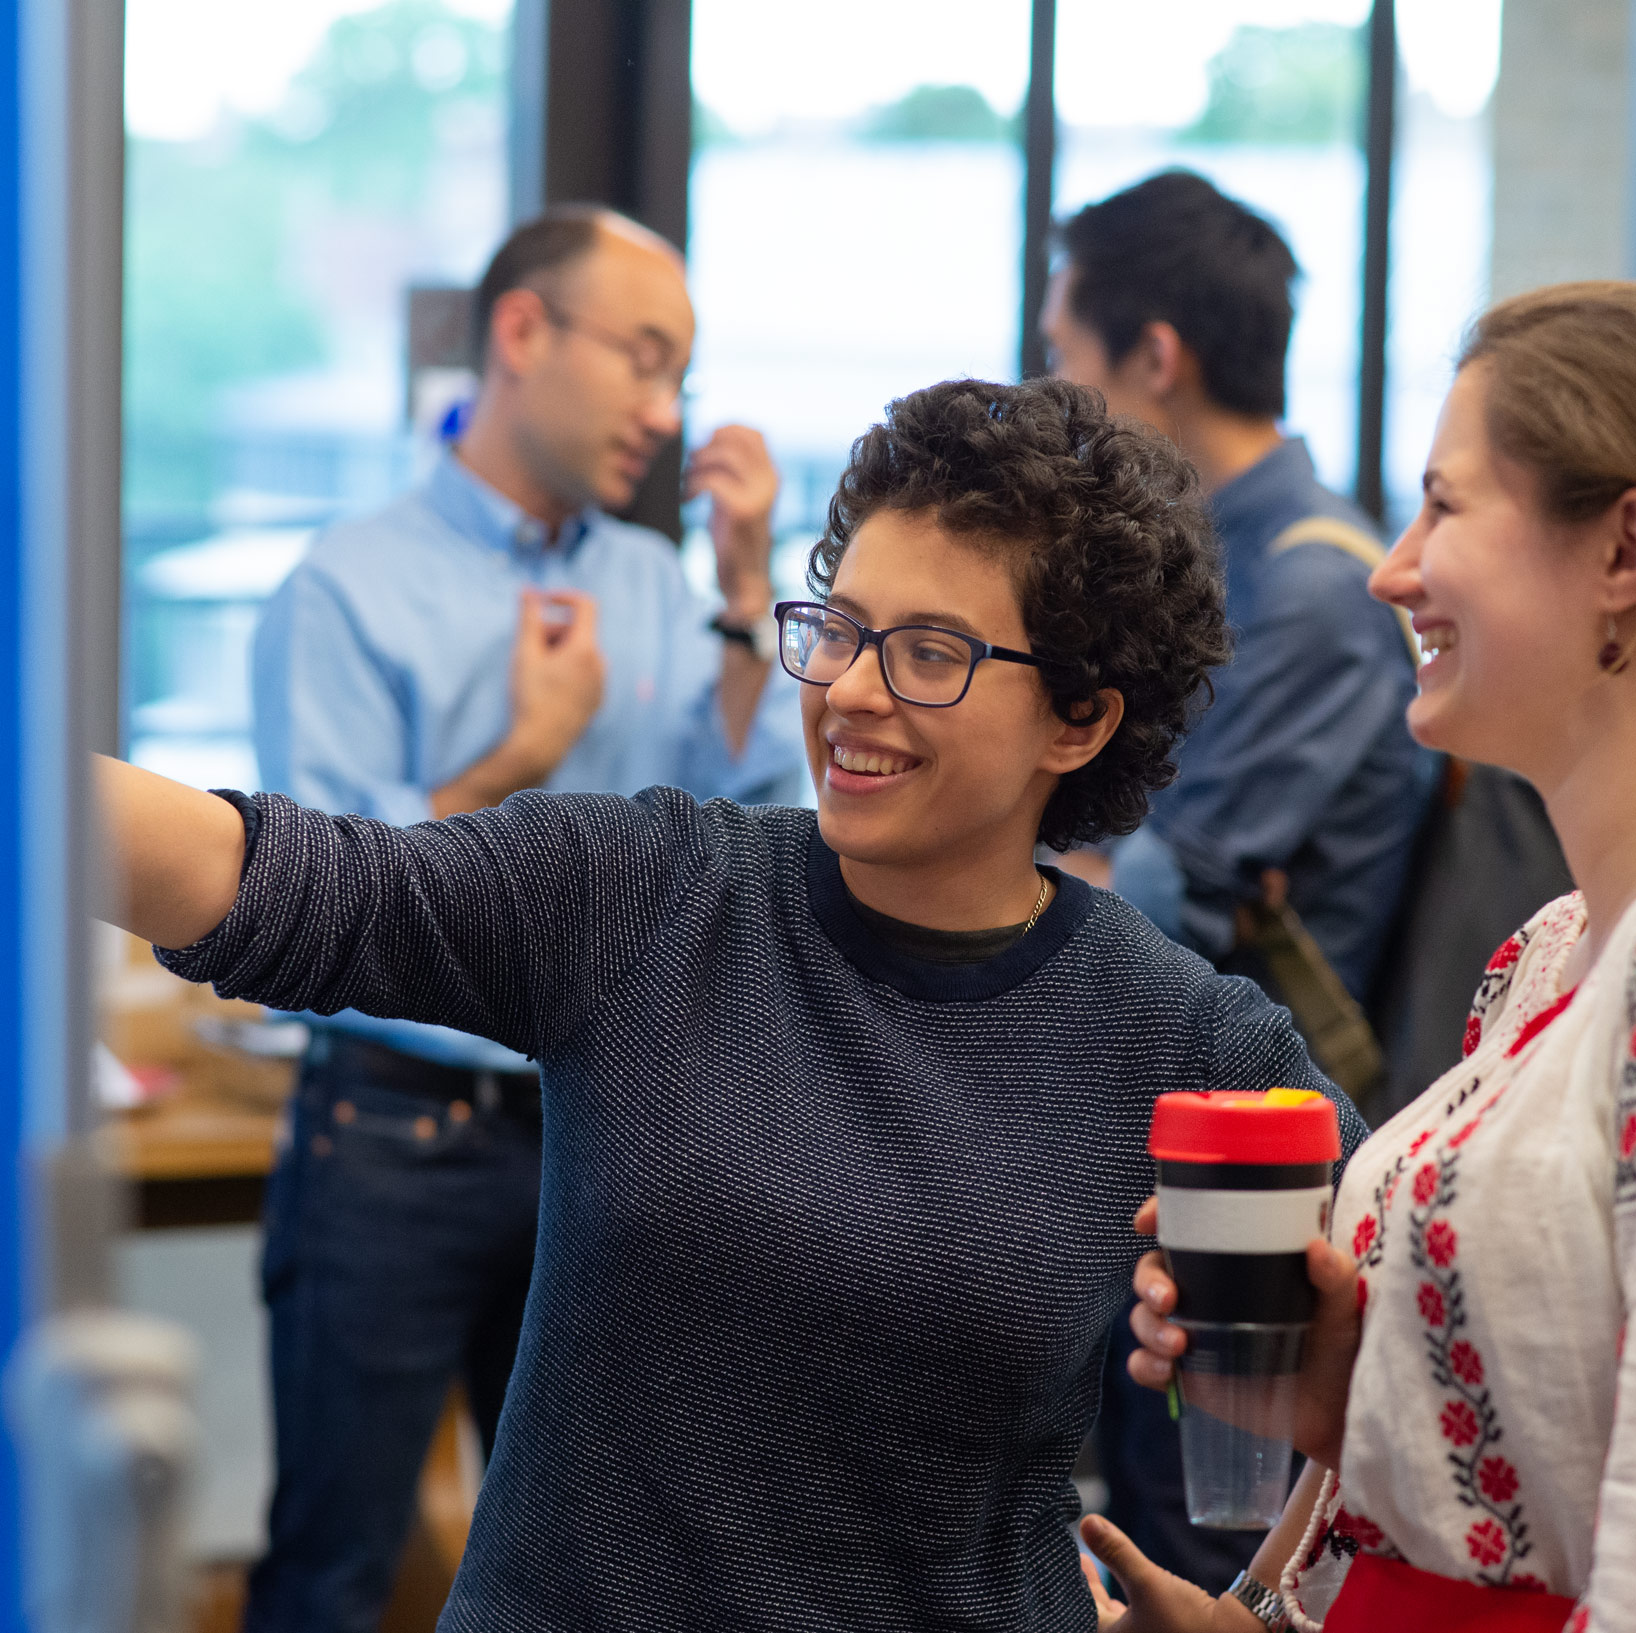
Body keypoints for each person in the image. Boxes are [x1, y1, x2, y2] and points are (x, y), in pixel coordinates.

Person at [98, 376, 1370, 1633]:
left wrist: (1259, 1609)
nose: (852, 691)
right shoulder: (654, 893)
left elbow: (1416, 1343)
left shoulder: (1177, 1036)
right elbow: (281, 880)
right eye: (840, 627)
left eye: (929, 653)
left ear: (1079, 721)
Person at [1081, 282, 1636, 1632]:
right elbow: (1555, 1474)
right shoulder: (1562, 948)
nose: (1394, 570)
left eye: (1444, 507)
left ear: (1627, 549)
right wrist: (1340, 1404)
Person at [240, 204, 800, 1632]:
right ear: (521, 331)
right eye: (643, 358)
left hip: (603, 1133)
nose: (665, 413)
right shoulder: (343, 587)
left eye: (683, 375)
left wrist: (744, 592)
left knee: (585, 1577)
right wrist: (515, 763)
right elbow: (313, 910)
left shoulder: (651, 586)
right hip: (393, 1139)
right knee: (334, 1569)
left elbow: (750, 820)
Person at [1043, 169, 1429, 1592]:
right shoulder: (1228, 562)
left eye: (1067, 360)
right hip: (1183, 1147)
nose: (1059, 404)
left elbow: (1163, 886)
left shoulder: (1315, 588)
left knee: (1204, 1550)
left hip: (1265, 1171)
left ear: (1157, 357)